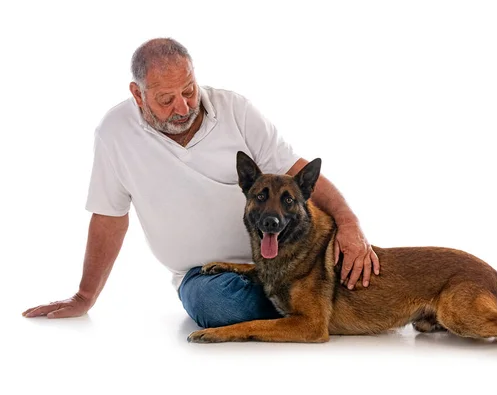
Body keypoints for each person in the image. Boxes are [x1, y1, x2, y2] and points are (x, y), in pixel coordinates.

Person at [22, 38, 379, 328]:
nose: (183, 107)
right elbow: (109, 216)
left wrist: (349, 225)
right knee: (214, 305)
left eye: (189, 91)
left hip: (291, 255)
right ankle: (318, 308)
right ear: (137, 93)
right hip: (210, 277)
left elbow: (297, 171)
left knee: (361, 275)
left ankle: (315, 304)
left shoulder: (235, 109)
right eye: (166, 100)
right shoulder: (115, 133)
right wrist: (85, 296)